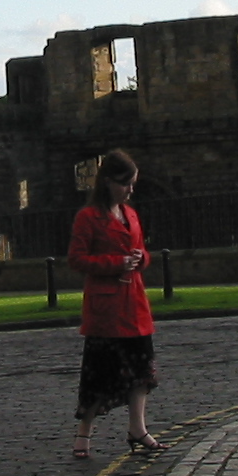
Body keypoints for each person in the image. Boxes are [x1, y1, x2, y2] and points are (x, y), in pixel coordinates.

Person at [66, 149, 166, 459]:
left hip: (134, 304)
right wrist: (116, 262)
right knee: (99, 373)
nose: (130, 190)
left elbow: (143, 251)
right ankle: (83, 435)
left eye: (133, 184)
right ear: (108, 182)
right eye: (126, 184)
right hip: (106, 309)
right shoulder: (88, 217)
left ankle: (138, 428)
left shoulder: (131, 214)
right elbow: (77, 259)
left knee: (141, 372)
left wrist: (139, 259)